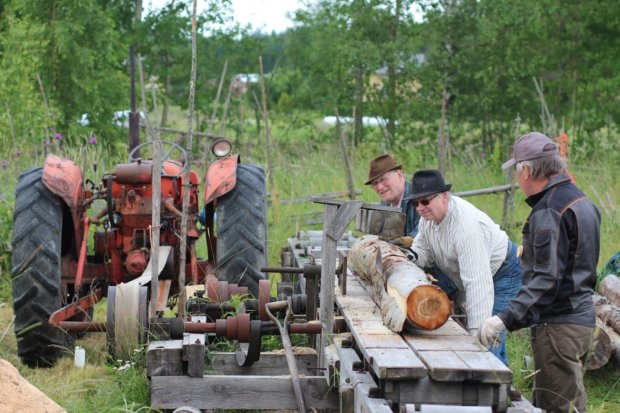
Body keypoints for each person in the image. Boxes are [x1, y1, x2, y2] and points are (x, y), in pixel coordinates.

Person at [480, 131, 601, 412]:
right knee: (569, 403)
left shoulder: (549, 209)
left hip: (558, 327)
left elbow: (547, 280)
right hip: (581, 321)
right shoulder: (582, 201)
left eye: (516, 170)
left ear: (526, 170)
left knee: (557, 407)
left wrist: (504, 319)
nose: (516, 178)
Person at [405, 169, 522, 365]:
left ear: (444, 197)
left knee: (488, 337)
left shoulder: (465, 228)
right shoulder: (428, 220)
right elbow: (422, 251)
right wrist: (407, 257)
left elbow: (478, 284)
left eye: (425, 201)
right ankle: (503, 388)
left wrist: (475, 336)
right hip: (476, 275)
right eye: (415, 203)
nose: (420, 207)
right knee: (486, 343)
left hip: (502, 273)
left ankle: (494, 385)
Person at [365, 154, 420, 239]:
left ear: (399, 175)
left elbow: (421, 238)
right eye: (375, 183)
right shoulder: (383, 206)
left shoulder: (421, 200)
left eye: (383, 179)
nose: (380, 187)